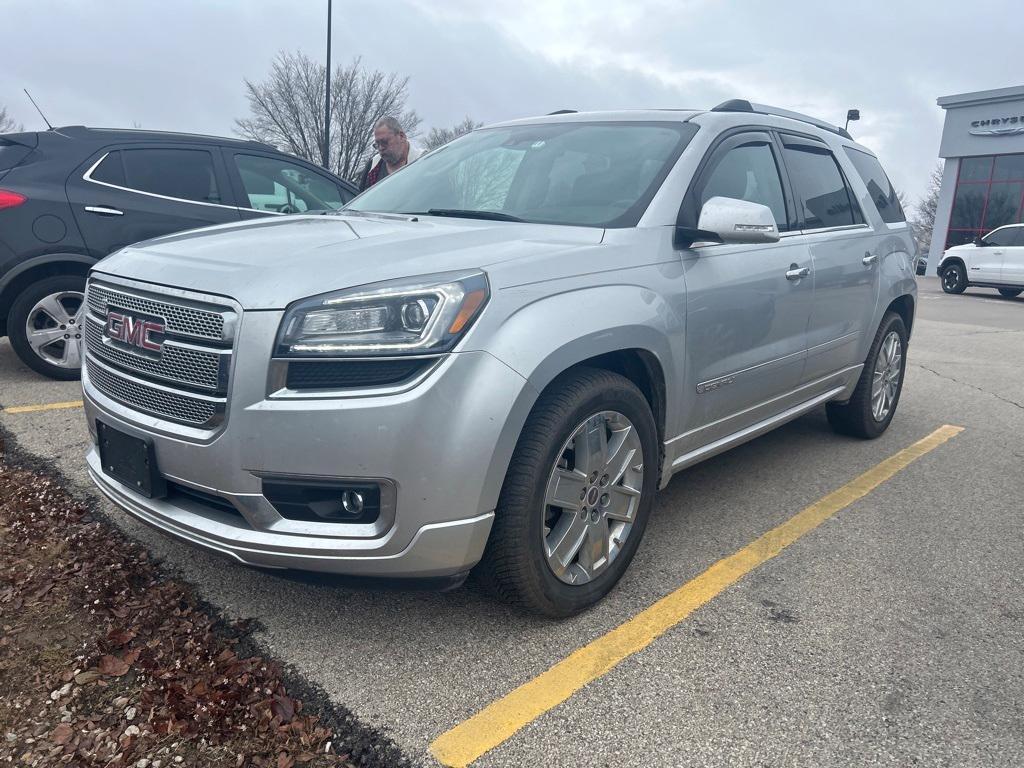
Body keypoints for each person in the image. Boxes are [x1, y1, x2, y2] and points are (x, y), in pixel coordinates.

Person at [358, 116, 424, 191]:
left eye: (384, 142)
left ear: (401, 136)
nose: (381, 148)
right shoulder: (373, 167)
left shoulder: (423, 161)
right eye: (377, 144)